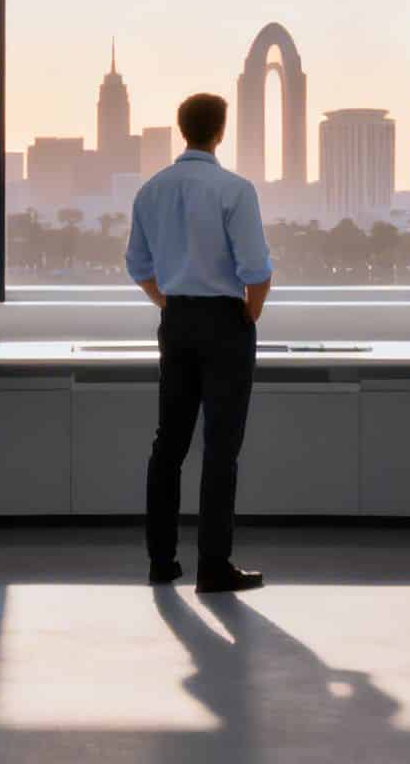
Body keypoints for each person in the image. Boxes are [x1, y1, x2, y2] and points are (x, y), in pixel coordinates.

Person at [125, 93, 271, 593]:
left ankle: (160, 562)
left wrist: (169, 306)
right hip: (225, 322)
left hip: (178, 321)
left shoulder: (151, 190)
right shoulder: (235, 190)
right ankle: (213, 565)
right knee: (220, 447)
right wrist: (245, 317)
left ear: (182, 128)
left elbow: (138, 267)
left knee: (169, 443)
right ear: (221, 130)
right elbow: (257, 270)